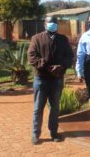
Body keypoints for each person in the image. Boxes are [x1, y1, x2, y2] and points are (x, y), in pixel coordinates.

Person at [28, 16, 73, 145]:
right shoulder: (36, 38)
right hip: (41, 79)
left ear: (57, 25)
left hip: (57, 80)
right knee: (38, 108)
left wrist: (61, 66)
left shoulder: (63, 39)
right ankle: (35, 134)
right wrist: (47, 67)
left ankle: (54, 132)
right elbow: (32, 56)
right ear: (44, 24)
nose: (52, 24)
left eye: (54, 22)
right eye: (49, 22)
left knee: (55, 107)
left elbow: (69, 56)